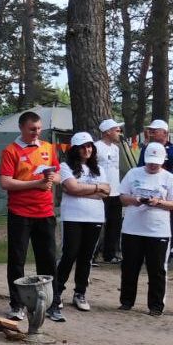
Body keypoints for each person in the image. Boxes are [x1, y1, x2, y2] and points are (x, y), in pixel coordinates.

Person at [0, 110, 60, 321]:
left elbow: (58, 174)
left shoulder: (48, 147)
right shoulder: (11, 151)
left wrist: (52, 176)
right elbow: (6, 182)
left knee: (48, 259)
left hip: (45, 211)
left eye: (39, 129)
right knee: (17, 260)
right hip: (20, 212)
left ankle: (53, 303)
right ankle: (17, 304)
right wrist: (37, 183)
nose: (36, 133)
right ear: (22, 128)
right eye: (32, 129)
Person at [51, 132, 109, 320]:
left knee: (87, 256)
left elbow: (106, 191)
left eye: (90, 146)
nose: (87, 150)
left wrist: (83, 189)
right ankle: (57, 291)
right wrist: (95, 188)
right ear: (75, 149)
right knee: (70, 253)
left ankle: (80, 292)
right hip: (73, 217)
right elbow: (72, 188)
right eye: (83, 147)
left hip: (95, 217)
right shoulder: (65, 167)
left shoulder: (99, 168)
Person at [117, 143, 173, 315]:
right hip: (133, 229)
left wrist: (159, 202)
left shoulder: (169, 178)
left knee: (156, 269)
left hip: (158, 230)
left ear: (163, 160)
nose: (152, 165)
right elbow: (122, 196)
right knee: (129, 266)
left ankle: (156, 305)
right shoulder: (134, 173)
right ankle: (127, 301)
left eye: (156, 162)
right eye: (150, 162)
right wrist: (136, 199)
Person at [95, 119, 125, 263]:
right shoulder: (96, 147)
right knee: (97, 223)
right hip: (100, 191)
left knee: (115, 223)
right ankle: (92, 254)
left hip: (115, 191)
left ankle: (110, 254)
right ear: (108, 132)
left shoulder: (116, 148)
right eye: (117, 130)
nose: (119, 133)